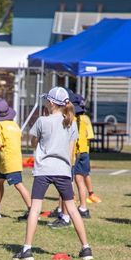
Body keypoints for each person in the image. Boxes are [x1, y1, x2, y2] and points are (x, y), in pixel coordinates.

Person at [12, 87, 93, 260]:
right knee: (72, 209)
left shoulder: (42, 121)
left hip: (43, 169)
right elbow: (70, 151)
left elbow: (33, 142)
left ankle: (27, 249)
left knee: (35, 208)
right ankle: (86, 249)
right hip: (63, 170)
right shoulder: (71, 122)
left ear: (51, 103)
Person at [49, 90, 95, 228]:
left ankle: (63, 212)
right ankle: (83, 208)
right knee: (79, 181)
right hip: (84, 152)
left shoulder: (68, 120)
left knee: (65, 183)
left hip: (72, 155)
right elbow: (89, 136)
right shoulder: (85, 119)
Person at [0, 98, 32, 219]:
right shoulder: (14, 124)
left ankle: (32, 211)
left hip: (9, 161)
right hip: (14, 158)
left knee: (18, 185)